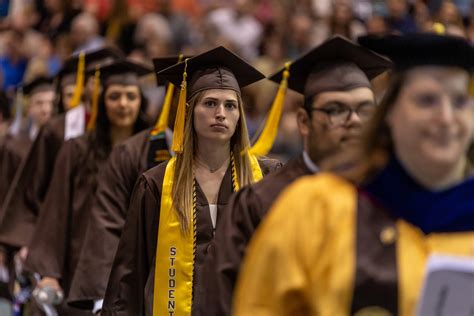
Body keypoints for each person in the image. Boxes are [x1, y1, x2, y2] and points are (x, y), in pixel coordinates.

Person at [233, 33, 474, 316]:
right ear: (389, 113)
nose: (446, 118)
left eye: (459, 101)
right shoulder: (316, 208)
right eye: (426, 100)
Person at [201, 35, 392, 315]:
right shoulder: (261, 202)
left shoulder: (390, 195)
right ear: (304, 122)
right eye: (336, 110)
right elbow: (220, 301)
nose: (354, 120)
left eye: (365, 109)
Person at [101, 46, 282, 316]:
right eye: (210, 103)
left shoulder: (268, 177)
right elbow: (131, 273)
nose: (221, 113)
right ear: (190, 111)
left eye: (230, 105)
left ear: (239, 116)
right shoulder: (157, 183)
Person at [24, 59, 152, 315]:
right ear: (101, 103)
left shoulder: (153, 152)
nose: (123, 104)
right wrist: (50, 272)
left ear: (141, 102)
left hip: (138, 264)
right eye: (114, 96)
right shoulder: (77, 150)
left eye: (131, 96)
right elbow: (56, 211)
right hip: (83, 261)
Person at [66, 55, 187, 313]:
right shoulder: (132, 152)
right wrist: (102, 293)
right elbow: (108, 223)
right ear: (170, 100)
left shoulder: (238, 165)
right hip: (144, 276)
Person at [0, 47, 123, 250]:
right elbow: (33, 189)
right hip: (60, 236)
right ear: (84, 85)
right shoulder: (56, 130)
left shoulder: (130, 132)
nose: (102, 88)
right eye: (96, 80)